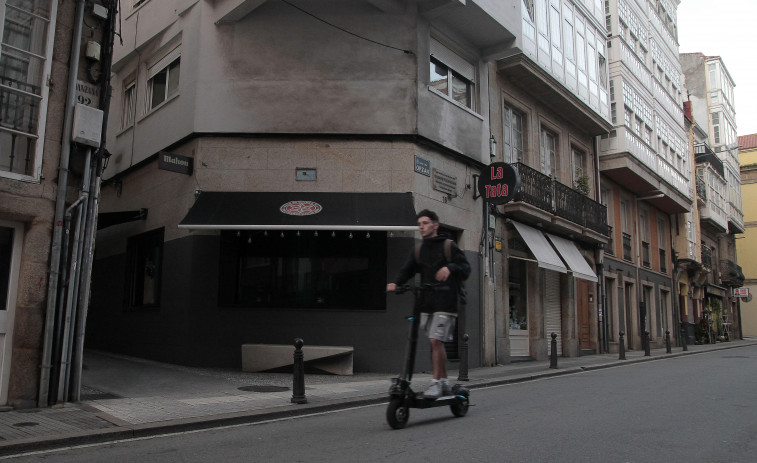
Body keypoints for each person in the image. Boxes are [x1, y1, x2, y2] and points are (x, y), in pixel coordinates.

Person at [386, 209, 470, 398]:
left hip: (446, 301)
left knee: (434, 341)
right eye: (419, 224)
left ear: (435, 225)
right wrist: (396, 283)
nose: (421, 227)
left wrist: (450, 267)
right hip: (426, 303)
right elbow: (406, 269)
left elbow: (466, 268)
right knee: (436, 344)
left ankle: (435, 383)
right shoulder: (418, 250)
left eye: (425, 223)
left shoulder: (449, 246)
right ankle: (445, 382)